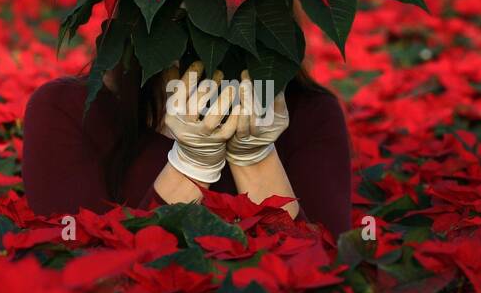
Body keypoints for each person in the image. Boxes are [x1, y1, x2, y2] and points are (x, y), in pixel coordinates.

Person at [23, 58, 352, 236]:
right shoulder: (69, 110)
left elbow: (324, 285)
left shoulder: (310, 114)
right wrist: (190, 165)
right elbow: (86, 283)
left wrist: (255, 157)